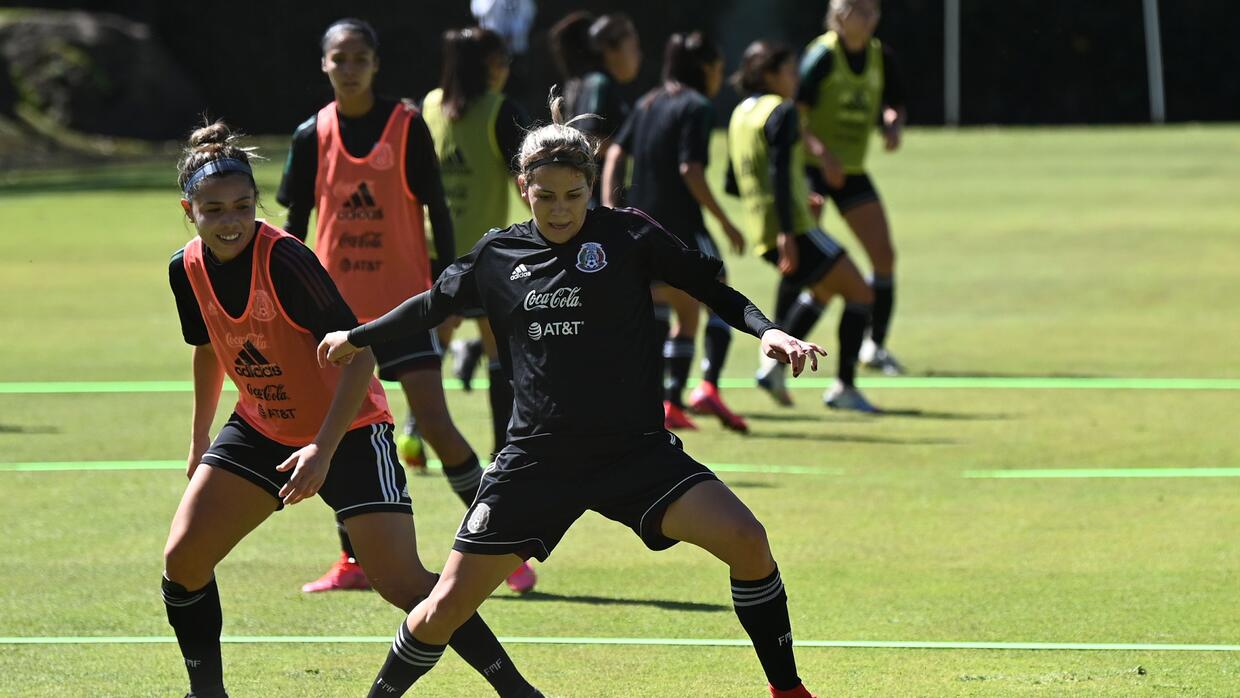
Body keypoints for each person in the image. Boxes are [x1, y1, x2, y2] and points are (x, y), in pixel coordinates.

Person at [320, 95, 823, 698]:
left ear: (592, 186)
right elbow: (432, 305)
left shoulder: (630, 235)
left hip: (635, 455)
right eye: (545, 195)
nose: (560, 210)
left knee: (748, 540)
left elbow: (707, 287)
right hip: (537, 462)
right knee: (441, 608)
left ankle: (788, 691)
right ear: (523, 187)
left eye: (574, 195)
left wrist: (769, 331)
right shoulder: (497, 254)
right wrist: (357, 336)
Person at [163, 120, 541, 698]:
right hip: (261, 427)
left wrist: (322, 448)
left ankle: (516, 690)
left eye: (242, 205)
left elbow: (360, 356)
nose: (230, 220)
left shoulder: (286, 261)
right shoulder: (184, 267)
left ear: (257, 203)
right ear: (190, 211)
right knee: (184, 560)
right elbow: (209, 349)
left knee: (402, 581)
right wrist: (199, 439)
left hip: (351, 429)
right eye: (213, 210)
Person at [277, 19, 537, 595]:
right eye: (339, 58)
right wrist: (284, 295)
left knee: (437, 427)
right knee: (340, 434)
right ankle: (353, 561)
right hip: (333, 318)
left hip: (404, 308)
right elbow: (292, 227)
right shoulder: (309, 134)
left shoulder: (407, 124)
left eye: (360, 58)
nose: (349, 68)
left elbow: (437, 209)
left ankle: (505, 547)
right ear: (324, 65)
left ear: (376, 63)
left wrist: (448, 289)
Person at [602, 32, 749, 433]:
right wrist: (723, 219)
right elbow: (691, 169)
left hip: (642, 230)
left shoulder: (648, 100)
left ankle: (667, 400)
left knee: (672, 312)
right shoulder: (697, 106)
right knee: (721, 294)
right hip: (681, 226)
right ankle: (708, 386)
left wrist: (610, 208)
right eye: (719, 68)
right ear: (705, 68)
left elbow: (615, 151)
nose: (720, 76)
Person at [727, 40, 878, 411]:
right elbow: (778, 172)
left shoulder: (739, 115)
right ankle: (843, 386)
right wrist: (789, 226)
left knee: (825, 290)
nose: (796, 78)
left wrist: (796, 196)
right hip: (792, 227)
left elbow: (734, 182)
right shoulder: (781, 110)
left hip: (762, 225)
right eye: (790, 70)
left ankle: (774, 368)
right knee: (861, 293)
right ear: (769, 75)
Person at [422, 26, 532, 457]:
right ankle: (503, 450)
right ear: (486, 67)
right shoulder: (499, 111)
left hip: (433, 251)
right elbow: (526, 184)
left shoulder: (427, 104)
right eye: (501, 62)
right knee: (499, 355)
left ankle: (414, 430)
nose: (505, 70)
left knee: (431, 351)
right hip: (484, 256)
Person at [796, 0, 908, 375]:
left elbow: (894, 103)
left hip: (852, 169)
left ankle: (874, 346)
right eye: (862, 9)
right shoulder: (822, 57)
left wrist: (892, 123)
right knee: (806, 259)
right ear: (841, 15)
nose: (872, 16)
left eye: (875, 9)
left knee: (884, 256)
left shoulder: (881, 56)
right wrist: (821, 153)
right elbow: (794, 115)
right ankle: (778, 342)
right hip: (812, 168)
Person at [549, 11, 641, 206]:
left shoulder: (588, 81)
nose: (639, 55)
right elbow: (585, 139)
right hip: (595, 200)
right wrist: (627, 146)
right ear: (610, 50)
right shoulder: (598, 83)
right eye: (634, 47)